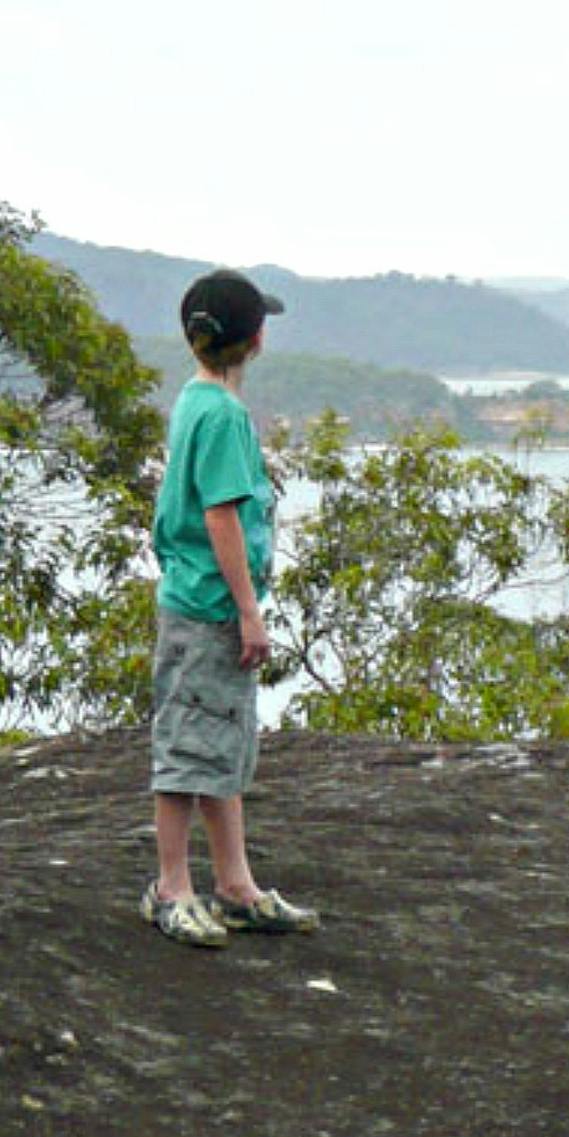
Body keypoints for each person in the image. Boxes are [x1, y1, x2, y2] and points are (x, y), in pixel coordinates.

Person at [142, 269, 318, 947]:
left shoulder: (196, 398)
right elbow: (220, 516)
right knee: (187, 750)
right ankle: (173, 888)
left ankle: (235, 883)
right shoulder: (222, 416)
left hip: (202, 601)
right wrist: (249, 611)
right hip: (209, 607)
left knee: (221, 746)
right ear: (256, 339)